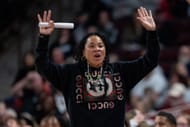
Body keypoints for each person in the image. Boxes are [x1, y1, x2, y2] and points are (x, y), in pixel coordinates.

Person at [35, 7, 160, 127]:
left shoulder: (120, 71)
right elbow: (43, 67)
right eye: (92, 46)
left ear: (105, 51)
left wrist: (152, 33)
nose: (97, 49)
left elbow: (151, 60)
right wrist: (43, 38)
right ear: (83, 52)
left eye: (100, 46)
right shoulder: (70, 73)